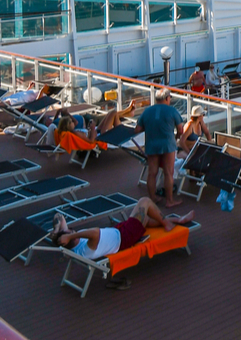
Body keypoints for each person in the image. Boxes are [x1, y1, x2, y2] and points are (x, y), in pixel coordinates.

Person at [51, 197, 193, 276]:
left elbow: (59, 217)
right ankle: (168, 223)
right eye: (70, 231)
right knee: (145, 202)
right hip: (125, 237)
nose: (71, 229)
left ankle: (177, 220)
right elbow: (94, 232)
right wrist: (71, 235)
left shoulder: (72, 246)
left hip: (118, 231)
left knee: (146, 220)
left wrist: (57, 230)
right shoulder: (85, 249)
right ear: (71, 238)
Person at [137, 89, 183, 206]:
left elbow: (137, 129)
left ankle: (152, 199)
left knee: (152, 173)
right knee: (168, 173)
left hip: (152, 144)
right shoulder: (172, 111)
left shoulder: (147, 111)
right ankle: (169, 201)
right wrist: (176, 137)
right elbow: (181, 129)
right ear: (167, 98)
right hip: (168, 144)